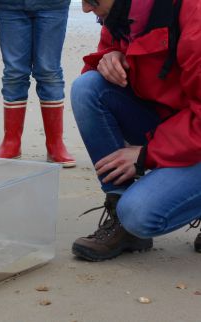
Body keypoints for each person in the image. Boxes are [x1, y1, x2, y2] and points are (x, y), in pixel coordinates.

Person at [71, 0, 201, 261]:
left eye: (91, 0)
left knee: (139, 214)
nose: (85, 9)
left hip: (192, 130)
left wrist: (147, 154)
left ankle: (134, 217)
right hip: (175, 126)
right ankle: (122, 220)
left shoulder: (193, 15)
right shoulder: (120, 15)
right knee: (88, 88)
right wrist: (108, 59)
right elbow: (102, 73)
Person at [0, 0, 76, 168]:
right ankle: (11, 143)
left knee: (49, 71)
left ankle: (55, 144)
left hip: (54, 5)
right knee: (14, 72)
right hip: (9, 5)